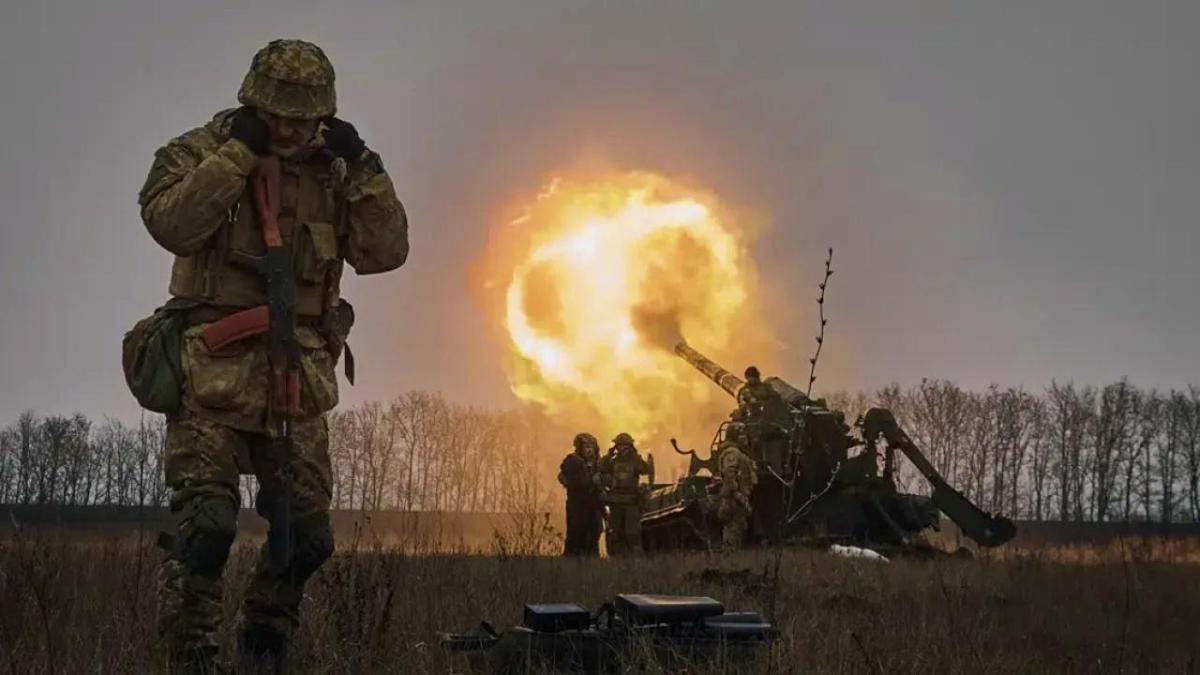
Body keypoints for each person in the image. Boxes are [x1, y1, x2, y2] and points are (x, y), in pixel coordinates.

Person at [138, 39, 408, 673]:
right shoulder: (202, 150)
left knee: (308, 537)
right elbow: (170, 223)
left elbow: (385, 252)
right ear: (254, 104)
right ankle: (189, 656)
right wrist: (237, 155)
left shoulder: (338, 170)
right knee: (206, 528)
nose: (290, 130)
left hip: (298, 376)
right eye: (279, 117)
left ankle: (264, 640)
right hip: (212, 375)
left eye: (304, 119)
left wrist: (364, 166)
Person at [597, 433, 652, 556]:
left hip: (631, 502)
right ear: (616, 447)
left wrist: (637, 457)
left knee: (632, 532)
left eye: (625, 446)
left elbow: (646, 470)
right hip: (615, 501)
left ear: (630, 446)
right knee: (615, 532)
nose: (622, 449)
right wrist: (608, 455)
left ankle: (635, 558)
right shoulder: (612, 461)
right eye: (620, 446)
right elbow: (599, 468)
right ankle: (617, 558)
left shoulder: (635, 461)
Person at [558, 432, 603, 557]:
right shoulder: (572, 461)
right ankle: (573, 557)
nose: (589, 450)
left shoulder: (598, 462)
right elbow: (571, 481)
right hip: (577, 503)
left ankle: (592, 558)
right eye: (586, 447)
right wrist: (590, 480)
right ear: (580, 448)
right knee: (576, 532)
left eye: (592, 447)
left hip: (594, 503)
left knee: (595, 531)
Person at [716, 439, 758, 550]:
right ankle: (729, 552)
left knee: (738, 526)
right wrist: (737, 494)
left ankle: (731, 552)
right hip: (734, 498)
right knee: (733, 526)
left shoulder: (736, 453)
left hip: (737, 496)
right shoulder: (732, 453)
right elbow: (730, 474)